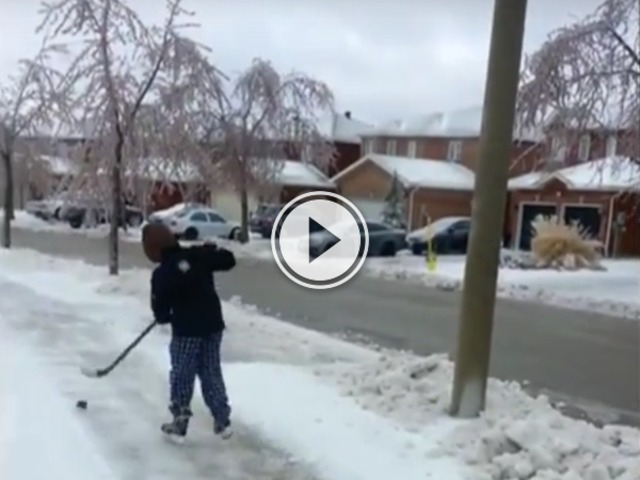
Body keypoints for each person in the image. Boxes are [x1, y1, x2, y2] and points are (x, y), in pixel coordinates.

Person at [141, 222, 236, 441]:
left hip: (186, 330)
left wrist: (165, 315)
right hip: (212, 325)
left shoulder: (162, 273)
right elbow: (228, 260)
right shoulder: (197, 255)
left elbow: (160, 310)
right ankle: (222, 419)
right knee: (210, 371)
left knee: (182, 373)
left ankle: (180, 418)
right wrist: (213, 250)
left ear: (153, 249)